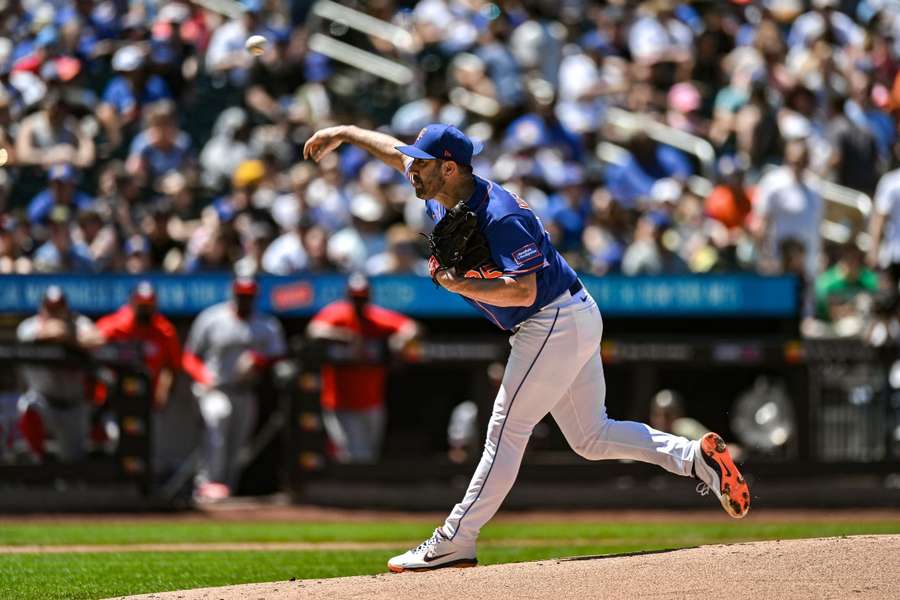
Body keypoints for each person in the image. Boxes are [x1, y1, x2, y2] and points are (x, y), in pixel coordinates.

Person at [304, 123, 750, 573]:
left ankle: (456, 538)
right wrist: (346, 133)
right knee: (592, 437)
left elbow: (522, 291)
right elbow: (392, 153)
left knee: (506, 430)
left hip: (550, 319)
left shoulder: (500, 215)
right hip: (571, 315)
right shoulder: (440, 186)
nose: (411, 169)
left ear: (449, 167)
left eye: (421, 163)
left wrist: (457, 283)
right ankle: (693, 458)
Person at [182, 276, 286, 500]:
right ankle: (207, 484)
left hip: (245, 391)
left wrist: (258, 361)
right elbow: (189, 356)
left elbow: (278, 356)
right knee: (218, 421)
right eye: (241, 295)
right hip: (215, 388)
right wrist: (203, 376)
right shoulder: (212, 318)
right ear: (233, 294)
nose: (244, 300)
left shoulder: (266, 324)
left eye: (248, 296)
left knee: (238, 445)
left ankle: (226, 490)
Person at [307, 273, 419, 463]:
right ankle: (348, 493)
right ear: (348, 296)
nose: (359, 301)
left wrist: (398, 341)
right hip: (339, 401)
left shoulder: (375, 317)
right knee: (349, 455)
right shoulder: (337, 314)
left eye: (362, 297)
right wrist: (348, 337)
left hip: (371, 400)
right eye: (355, 297)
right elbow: (314, 331)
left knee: (369, 456)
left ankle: (362, 493)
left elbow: (412, 328)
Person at [16, 286, 103, 462]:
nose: (55, 311)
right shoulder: (29, 325)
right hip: (43, 400)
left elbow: (97, 338)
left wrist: (68, 337)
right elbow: (46, 333)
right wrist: (76, 340)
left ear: (66, 307)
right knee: (27, 406)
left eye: (59, 306)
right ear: (42, 307)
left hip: (74, 405)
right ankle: (37, 456)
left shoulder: (79, 322)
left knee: (73, 461)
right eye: (50, 307)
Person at [96, 281, 181, 411]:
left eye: (148, 306)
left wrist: (163, 391)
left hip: (148, 400)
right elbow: (92, 350)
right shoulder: (114, 326)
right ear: (132, 303)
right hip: (113, 397)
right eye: (142, 306)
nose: (145, 310)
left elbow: (171, 366)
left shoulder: (164, 331)